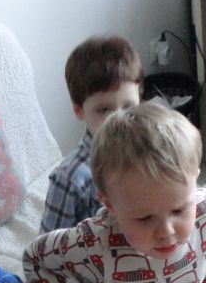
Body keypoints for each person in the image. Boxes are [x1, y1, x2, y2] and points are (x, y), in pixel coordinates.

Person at [24, 102, 206, 283]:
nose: (166, 231)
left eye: (178, 210)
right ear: (109, 205)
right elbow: (36, 259)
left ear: (195, 179)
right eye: (144, 218)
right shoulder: (93, 242)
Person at [39, 35, 143, 233]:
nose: (118, 119)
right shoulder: (70, 179)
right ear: (79, 110)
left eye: (128, 106)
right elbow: (47, 247)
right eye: (104, 110)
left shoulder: (150, 151)